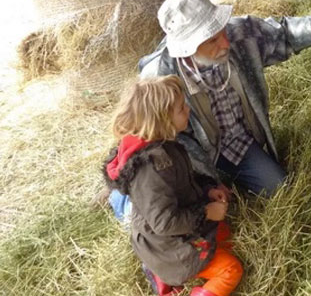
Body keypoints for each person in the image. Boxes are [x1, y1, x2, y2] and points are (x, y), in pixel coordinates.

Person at [108, 0, 311, 220]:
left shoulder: (238, 35)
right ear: (187, 48)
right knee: (171, 213)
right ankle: (120, 199)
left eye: (222, 31)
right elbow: (158, 141)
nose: (225, 43)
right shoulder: (159, 79)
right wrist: (205, 181)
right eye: (212, 40)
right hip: (189, 159)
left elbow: (282, 33)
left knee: (279, 188)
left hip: (238, 141)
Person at [103, 75, 242, 296]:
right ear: (162, 120)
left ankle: (162, 277)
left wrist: (207, 189)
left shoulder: (164, 147)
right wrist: (205, 212)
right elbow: (164, 223)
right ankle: (168, 275)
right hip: (169, 248)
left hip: (172, 237)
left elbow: (182, 181)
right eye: (180, 108)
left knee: (226, 234)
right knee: (231, 269)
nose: (188, 109)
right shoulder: (150, 170)